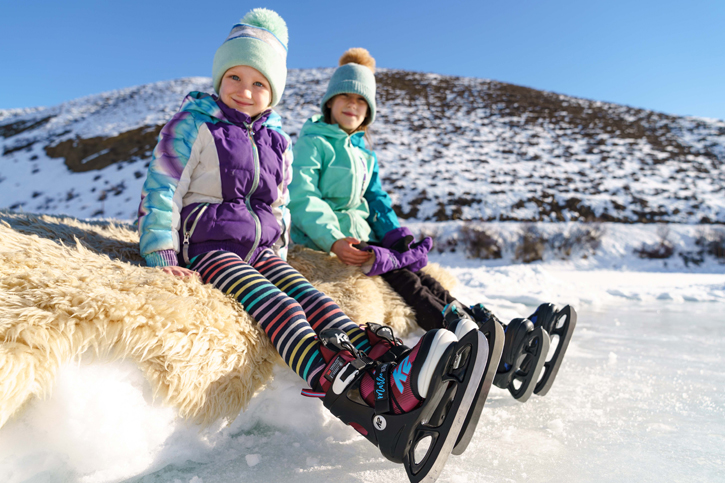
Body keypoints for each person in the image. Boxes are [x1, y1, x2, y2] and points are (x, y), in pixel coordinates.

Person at [137, 11, 485, 481]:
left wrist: (277, 256)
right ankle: (345, 386)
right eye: (235, 76)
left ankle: (392, 370)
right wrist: (162, 252)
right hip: (211, 247)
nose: (245, 89)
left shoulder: (276, 139)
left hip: (262, 251)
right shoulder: (193, 124)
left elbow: (279, 204)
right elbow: (162, 188)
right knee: (281, 307)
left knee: (315, 300)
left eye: (259, 83)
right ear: (219, 77)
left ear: (273, 91)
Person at [288, 48, 577, 405]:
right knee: (405, 281)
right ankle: (460, 332)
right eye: (345, 97)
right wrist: (333, 240)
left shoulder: (364, 152)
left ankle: (486, 332)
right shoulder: (314, 141)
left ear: (369, 111)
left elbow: (377, 199)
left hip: (366, 236)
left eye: (361, 100)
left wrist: (396, 235)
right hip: (324, 240)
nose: (352, 105)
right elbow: (302, 197)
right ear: (330, 102)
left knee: (422, 275)